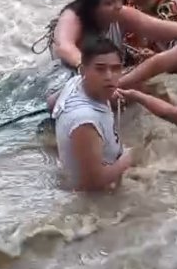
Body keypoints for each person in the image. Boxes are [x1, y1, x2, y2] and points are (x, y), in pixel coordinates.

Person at [40, 0, 177, 71]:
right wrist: (85, 68)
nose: (118, 6)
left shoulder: (121, 13)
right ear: (93, 5)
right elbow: (65, 47)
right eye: (109, 2)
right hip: (67, 72)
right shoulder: (73, 17)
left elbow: (161, 29)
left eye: (119, 0)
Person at [52, 36, 141, 191]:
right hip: (93, 197)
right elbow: (93, 183)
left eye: (115, 69)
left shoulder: (75, 83)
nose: (109, 76)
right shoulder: (85, 121)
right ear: (84, 70)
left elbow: (51, 102)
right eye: (100, 69)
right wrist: (130, 159)